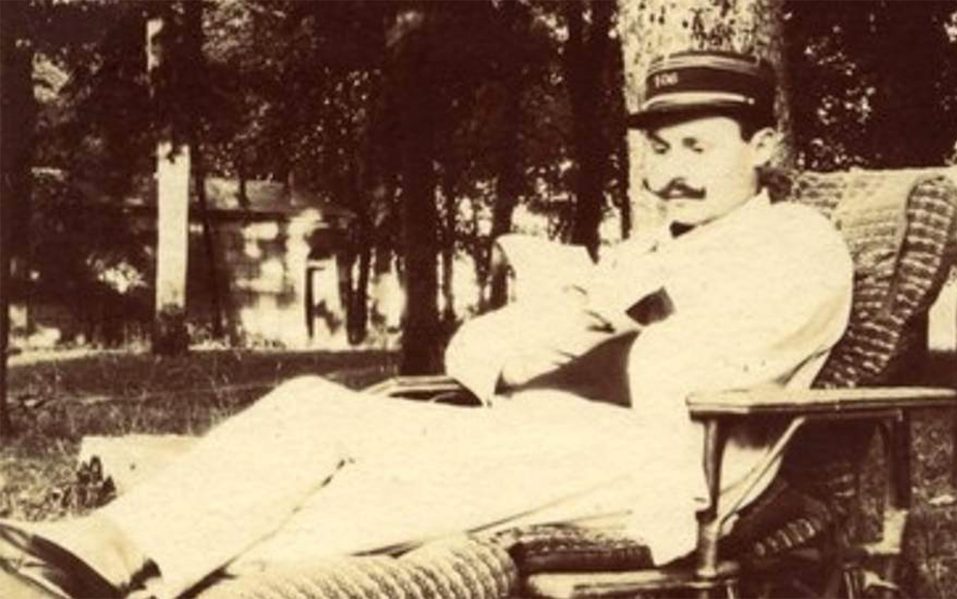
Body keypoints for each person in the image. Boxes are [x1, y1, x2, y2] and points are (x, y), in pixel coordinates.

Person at [0, 50, 853, 599]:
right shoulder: (649, 250)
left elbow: (688, 372)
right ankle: (97, 551)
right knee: (310, 408)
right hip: (541, 432)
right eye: (659, 151)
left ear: (764, 147)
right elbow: (477, 346)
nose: (669, 176)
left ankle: (108, 568)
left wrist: (593, 319)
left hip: (658, 465)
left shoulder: (796, 244)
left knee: (344, 479)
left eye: (698, 148)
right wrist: (565, 323)